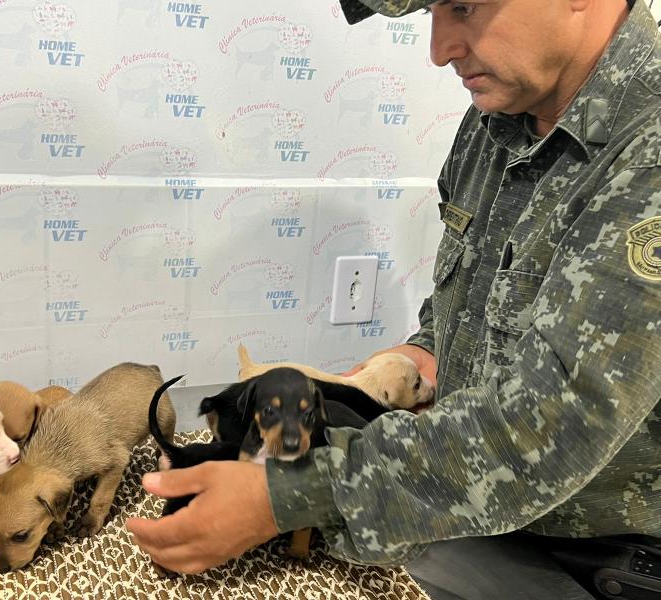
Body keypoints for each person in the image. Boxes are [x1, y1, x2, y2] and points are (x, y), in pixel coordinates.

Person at [128, 0, 661, 595]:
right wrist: (423, 355)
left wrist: (289, 494)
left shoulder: (649, 154)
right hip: (457, 504)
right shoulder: (498, 122)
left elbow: (549, 429)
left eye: (463, 6)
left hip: (590, 562)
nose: (439, 50)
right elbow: (469, 292)